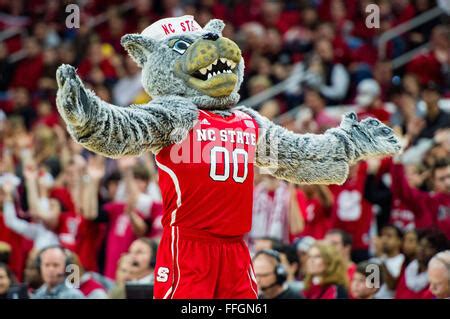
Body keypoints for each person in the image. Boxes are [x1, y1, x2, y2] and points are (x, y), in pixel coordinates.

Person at [391, 158, 450, 239]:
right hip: (434, 249)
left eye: (449, 176)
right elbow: (401, 190)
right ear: (433, 181)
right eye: (442, 179)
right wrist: (397, 162)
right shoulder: (426, 201)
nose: (447, 183)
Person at [395, 229, 449, 299]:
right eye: (420, 244)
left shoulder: (441, 277)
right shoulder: (408, 268)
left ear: (439, 252)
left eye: (429, 247)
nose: (422, 249)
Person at [377, 225, 405, 298]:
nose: (384, 239)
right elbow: (370, 286)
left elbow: (392, 286)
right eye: (382, 235)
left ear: (399, 241)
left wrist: (382, 261)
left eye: (389, 236)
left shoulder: (403, 261)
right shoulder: (374, 260)